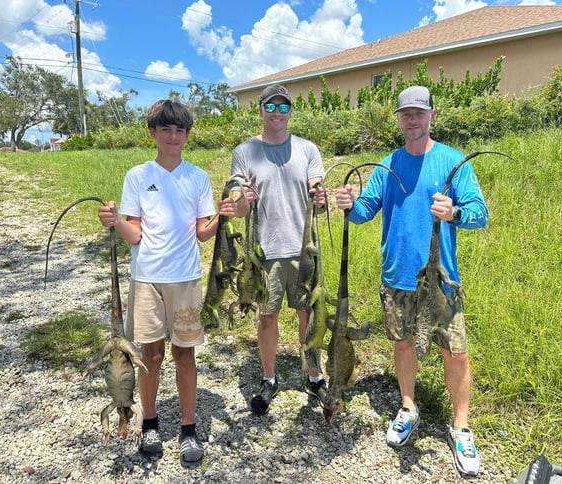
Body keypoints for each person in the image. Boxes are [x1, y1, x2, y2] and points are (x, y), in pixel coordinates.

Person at [334, 86, 484, 476]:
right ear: (398, 119)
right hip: (397, 275)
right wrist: (350, 204)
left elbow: (479, 213)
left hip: (441, 279)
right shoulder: (388, 164)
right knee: (403, 345)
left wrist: (453, 212)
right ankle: (407, 407)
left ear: (432, 115)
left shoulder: (453, 162)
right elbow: (364, 212)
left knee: (457, 351)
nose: (413, 119)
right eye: (406, 114)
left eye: (420, 113)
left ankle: (461, 428)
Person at [97, 99, 235, 468]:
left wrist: (221, 216)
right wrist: (114, 221)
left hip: (186, 278)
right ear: (153, 133)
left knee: (184, 353)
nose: (173, 136)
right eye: (165, 130)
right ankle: (151, 422)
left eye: (179, 130)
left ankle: (188, 427)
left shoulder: (197, 177)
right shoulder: (138, 176)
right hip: (146, 278)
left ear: (187, 135)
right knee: (150, 356)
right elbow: (134, 233)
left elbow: (203, 234)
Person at [230, 84, 328, 415]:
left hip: (304, 250)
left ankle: (314, 377)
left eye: (283, 107)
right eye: (270, 107)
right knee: (267, 316)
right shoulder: (245, 152)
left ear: (290, 112)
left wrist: (321, 197)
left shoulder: (307, 149)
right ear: (260, 111)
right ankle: (270, 378)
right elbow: (238, 206)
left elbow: (318, 192)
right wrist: (242, 198)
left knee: (308, 314)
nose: (277, 113)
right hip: (265, 250)